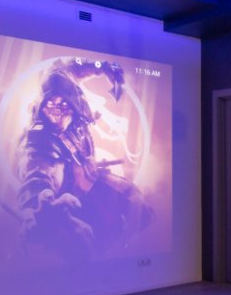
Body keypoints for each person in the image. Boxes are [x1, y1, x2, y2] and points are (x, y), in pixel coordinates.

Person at [15, 60, 151, 259]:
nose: (56, 111)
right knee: (96, 242)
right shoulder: (43, 138)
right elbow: (38, 172)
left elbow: (76, 68)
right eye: (51, 104)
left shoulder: (63, 81)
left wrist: (102, 67)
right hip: (76, 198)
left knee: (137, 204)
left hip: (92, 177)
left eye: (62, 104)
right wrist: (37, 205)